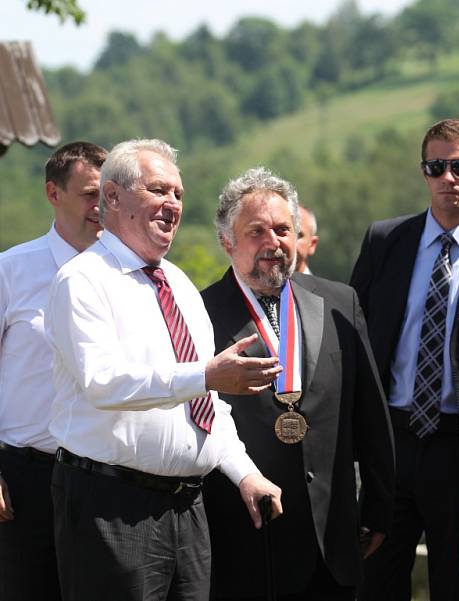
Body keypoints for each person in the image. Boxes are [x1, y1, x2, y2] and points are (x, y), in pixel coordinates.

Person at [45, 139, 284, 601]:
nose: (173, 204)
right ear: (112, 198)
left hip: (188, 509)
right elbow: (104, 382)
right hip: (110, 507)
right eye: (159, 190)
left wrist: (244, 472)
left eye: (178, 193)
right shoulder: (82, 281)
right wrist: (206, 376)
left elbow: (206, 406)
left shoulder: (178, 285)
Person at [201, 167, 394, 601]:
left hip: (333, 538)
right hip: (243, 538)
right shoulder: (200, 314)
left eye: (283, 229)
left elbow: (369, 412)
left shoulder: (339, 302)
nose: (273, 242)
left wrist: (380, 508)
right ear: (227, 240)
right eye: (257, 231)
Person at [350, 118, 459, 601]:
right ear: (424, 171)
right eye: (436, 166)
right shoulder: (385, 241)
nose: (448, 177)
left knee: (457, 584)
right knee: (376, 580)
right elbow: (354, 341)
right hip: (392, 443)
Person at [0, 141, 106, 601]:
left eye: (110, 196)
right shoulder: (11, 271)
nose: (100, 208)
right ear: (52, 193)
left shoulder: (130, 276)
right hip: (25, 485)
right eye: (89, 195)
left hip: (106, 483)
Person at [296, 204, 319, 274]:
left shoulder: (320, 285)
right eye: (281, 231)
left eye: (298, 236)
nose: (289, 242)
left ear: (312, 244)